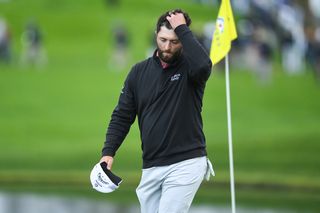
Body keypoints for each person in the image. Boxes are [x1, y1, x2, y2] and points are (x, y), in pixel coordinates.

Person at [99, 9, 214, 213]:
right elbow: (122, 115)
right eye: (163, 40)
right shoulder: (138, 72)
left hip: (186, 162)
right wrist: (108, 151)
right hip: (151, 165)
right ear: (155, 35)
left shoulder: (191, 68)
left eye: (175, 41)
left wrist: (182, 28)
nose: (167, 47)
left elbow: (204, 65)